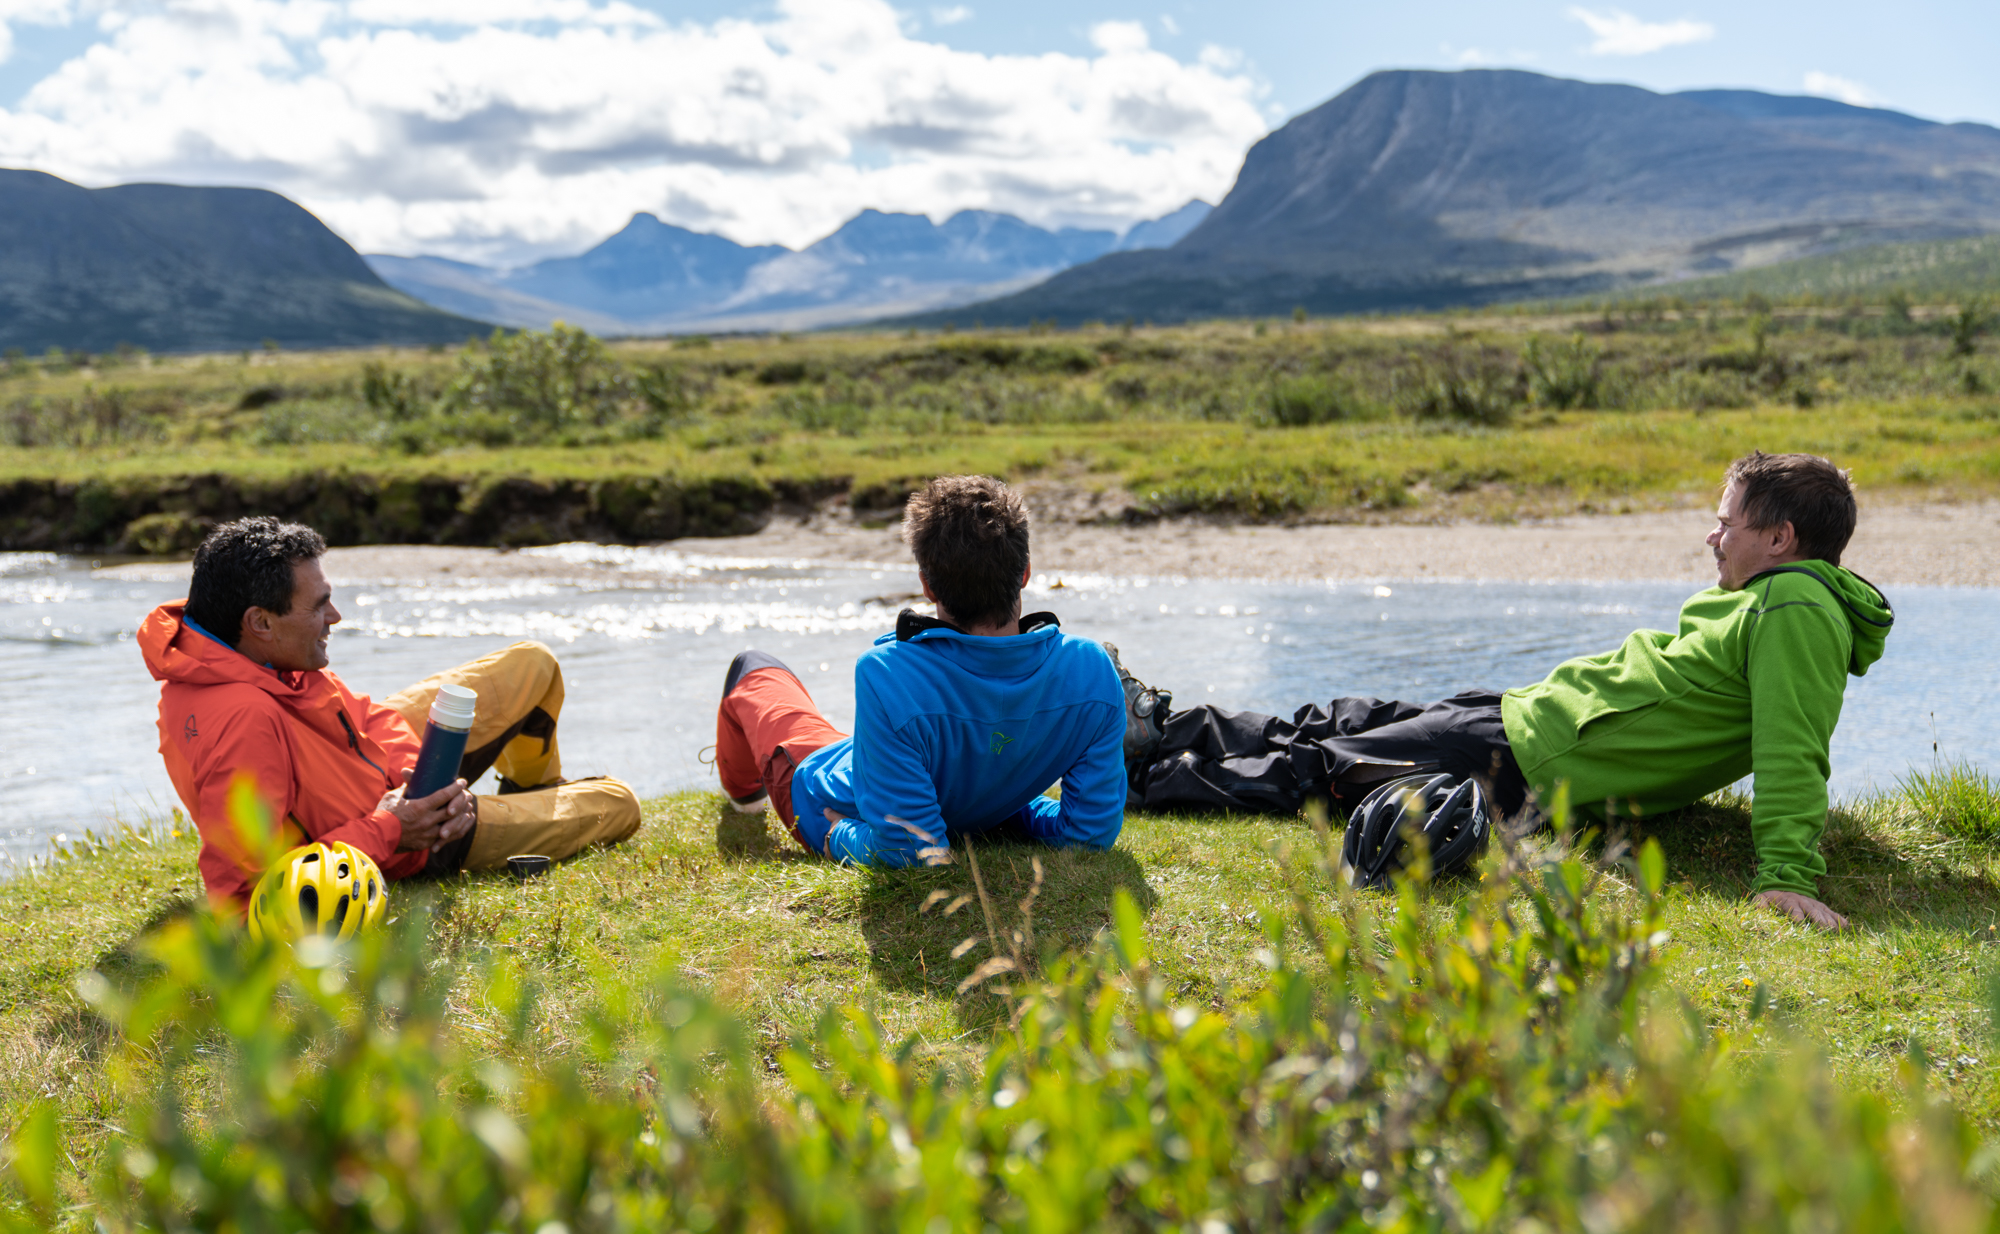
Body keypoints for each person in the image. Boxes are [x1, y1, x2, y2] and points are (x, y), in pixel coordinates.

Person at [1118, 452, 1892, 931]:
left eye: (1726, 524)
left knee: (1325, 771)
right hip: (1523, 715)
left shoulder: (1795, 609)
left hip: (1525, 762)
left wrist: (1785, 877)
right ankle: (1161, 723)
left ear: (1781, 538)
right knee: (1343, 719)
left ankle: (1133, 775)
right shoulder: (1773, 598)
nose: (1712, 537)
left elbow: (1793, 749)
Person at [140, 517, 643, 915]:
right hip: (412, 841)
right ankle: (513, 820)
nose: (335, 618)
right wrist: (397, 826)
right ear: (261, 622)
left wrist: (423, 779)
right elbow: (246, 893)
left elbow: (363, 713)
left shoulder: (232, 650)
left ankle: (528, 795)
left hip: (392, 784)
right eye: (319, 606)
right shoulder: (243, 718)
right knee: (619, 803)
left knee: (532, 663)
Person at [713, 474, 1127, 866]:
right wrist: (1008, 811)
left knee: (752, 666)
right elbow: (1087, 836)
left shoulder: (888, 673)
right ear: (1025, 572)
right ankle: (750, 791)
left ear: (927, 585)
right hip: (901, 768)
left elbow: (910, 854)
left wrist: (834, 834)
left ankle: (746, 796)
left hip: (820, 790)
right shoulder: (1092, 668)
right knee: (858, 738)